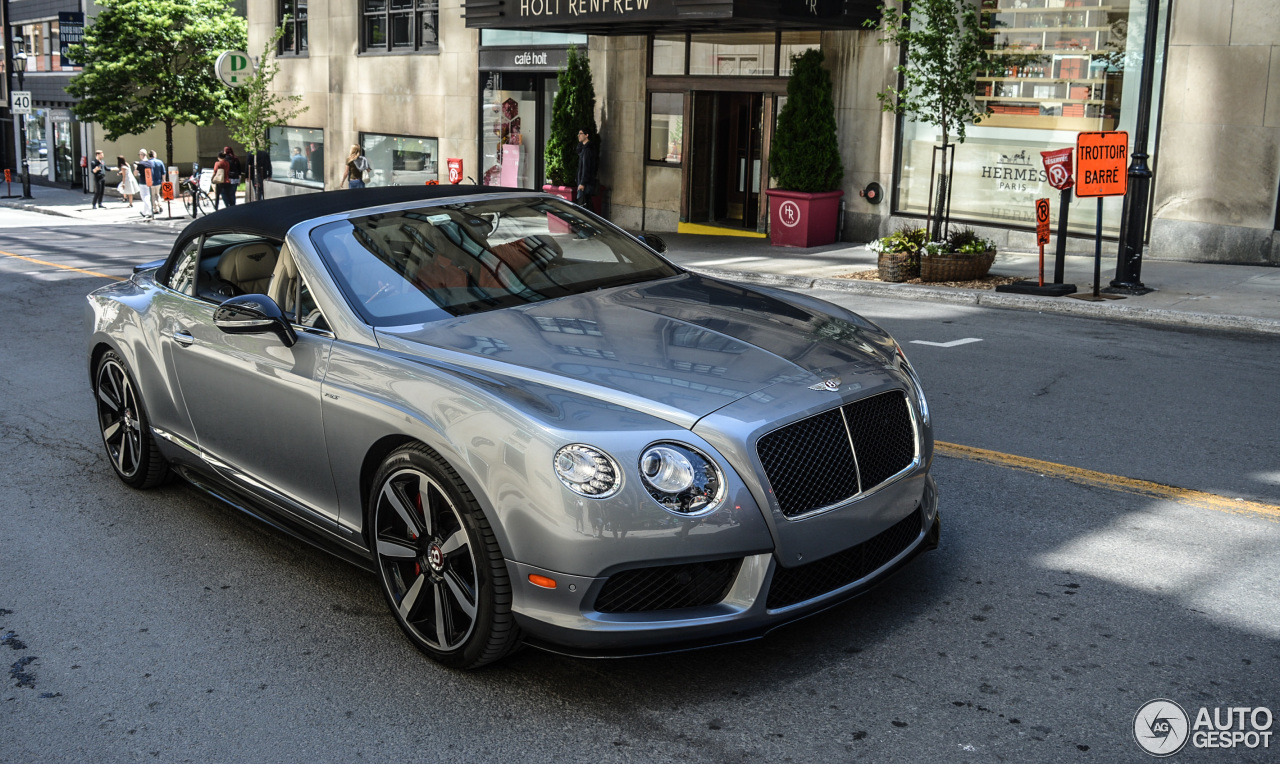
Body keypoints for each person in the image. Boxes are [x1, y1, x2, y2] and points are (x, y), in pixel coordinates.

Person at [575, 126, 598, 208]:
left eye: (580, 133)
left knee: (583, 206)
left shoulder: (587, 150)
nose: (578, 135)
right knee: (586, 205)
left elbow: (586, 167)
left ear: (586, 135)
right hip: (583, 183)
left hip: (585, 184)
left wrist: (582, 183)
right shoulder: (583, 149)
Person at [135, 149, 155, 218]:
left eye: (139, 154)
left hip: (143, 182)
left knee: (144, 197)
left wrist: (135, 167)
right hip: (149, 181)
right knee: (147, 196)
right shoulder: (150, 163)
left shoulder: (140, 164)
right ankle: (144, 212)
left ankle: (150, 211)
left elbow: (135, 173)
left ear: (141, 155)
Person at [147, 150, 166, 216]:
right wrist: (163, 180)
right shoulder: (160, 162)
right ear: (154, 155)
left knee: (152, 195)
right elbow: (163, 172)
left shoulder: (148, 163)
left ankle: (156, 208)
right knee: (157, 194)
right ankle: (160, 205)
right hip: (158, 181)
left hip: (151, 181)